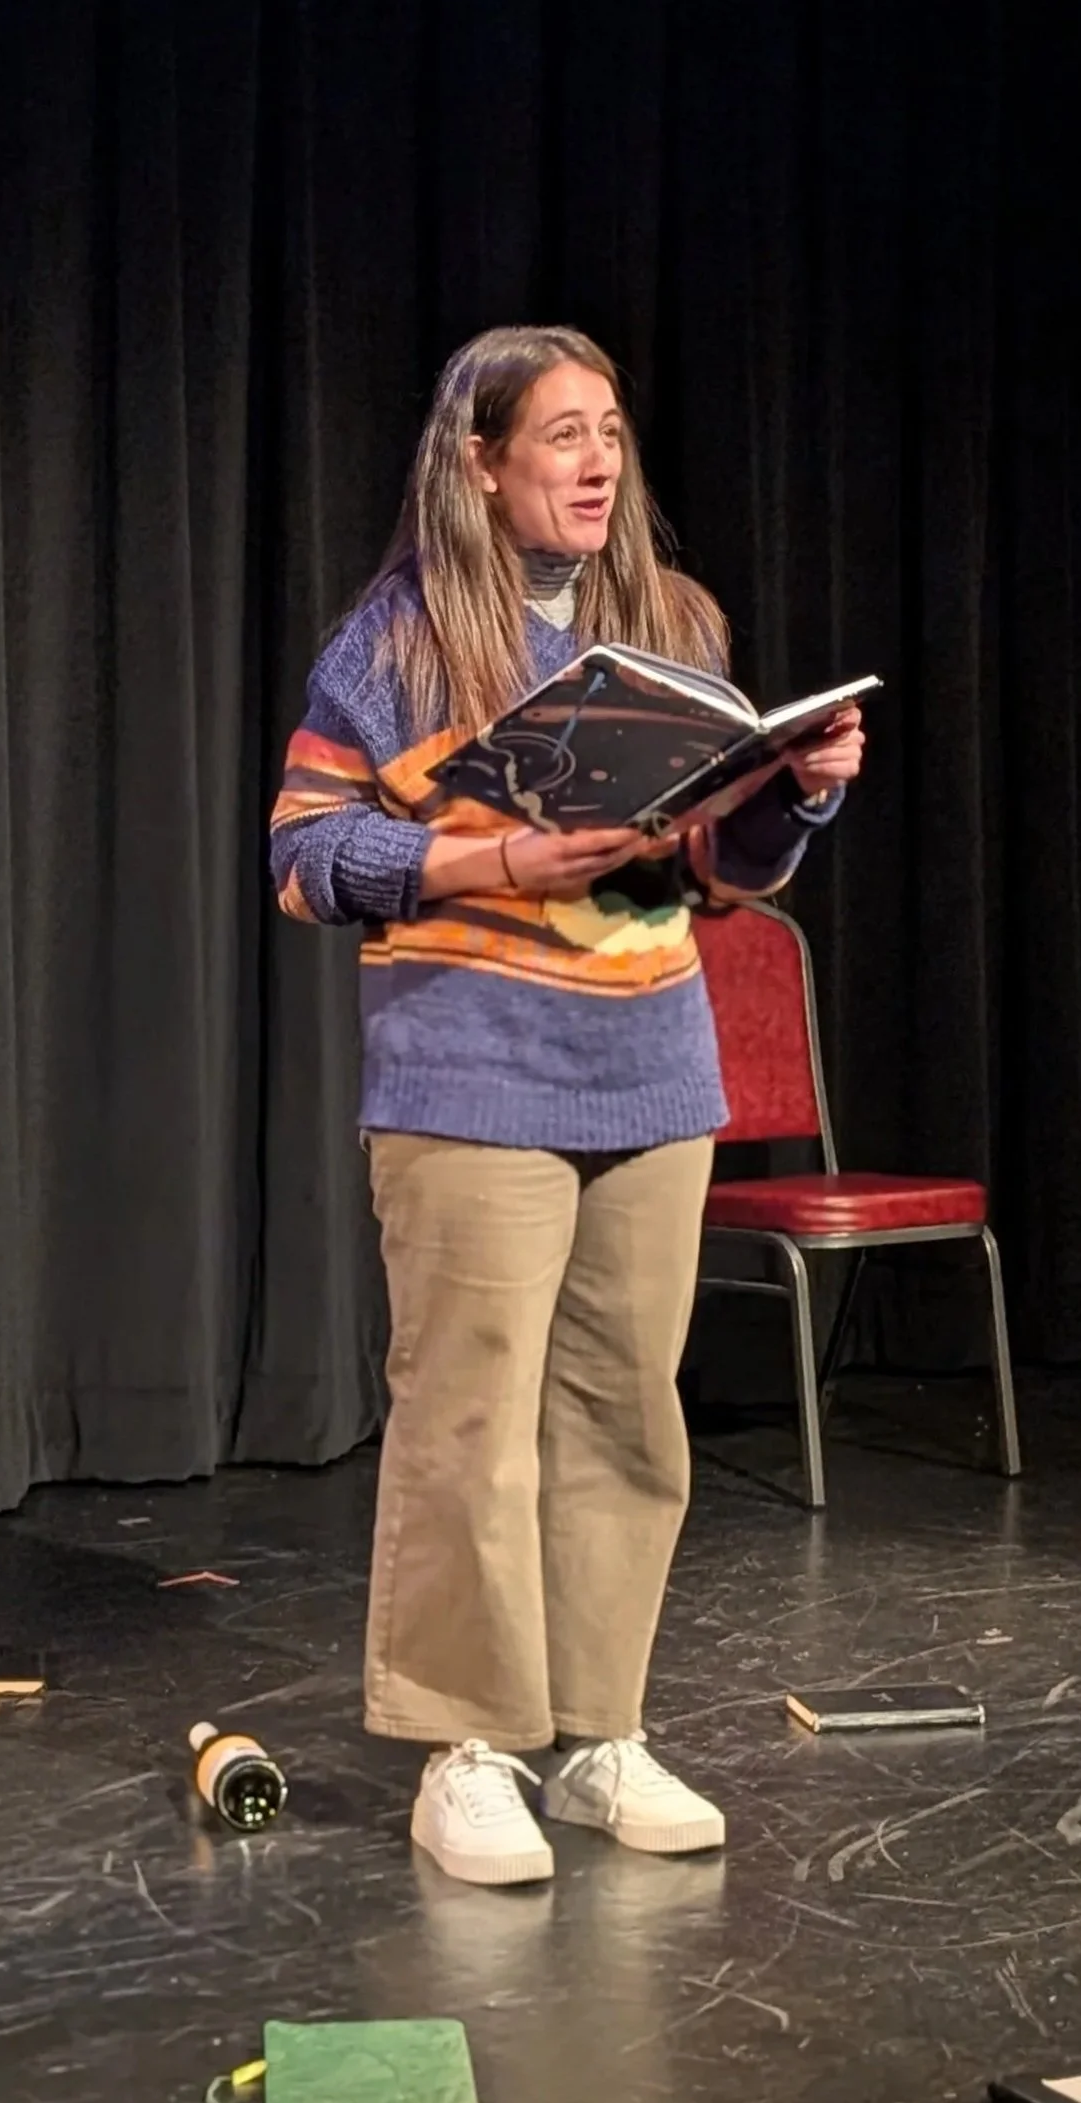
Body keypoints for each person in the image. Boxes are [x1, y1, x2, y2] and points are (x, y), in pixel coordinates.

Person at [269, 325, 863, 1887]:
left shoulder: (672, 626)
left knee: (621, 1407)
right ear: (478, 464)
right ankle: (466, 1751)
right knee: (469, 1418)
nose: (597, 464)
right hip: (473, 1078)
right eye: (560, 439)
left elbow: (717, 876)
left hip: (650, 1071)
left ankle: (600, 1731)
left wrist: (790, 795)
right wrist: (489, 860)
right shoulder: (394, 647)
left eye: (610, 434)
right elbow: (306, 857)